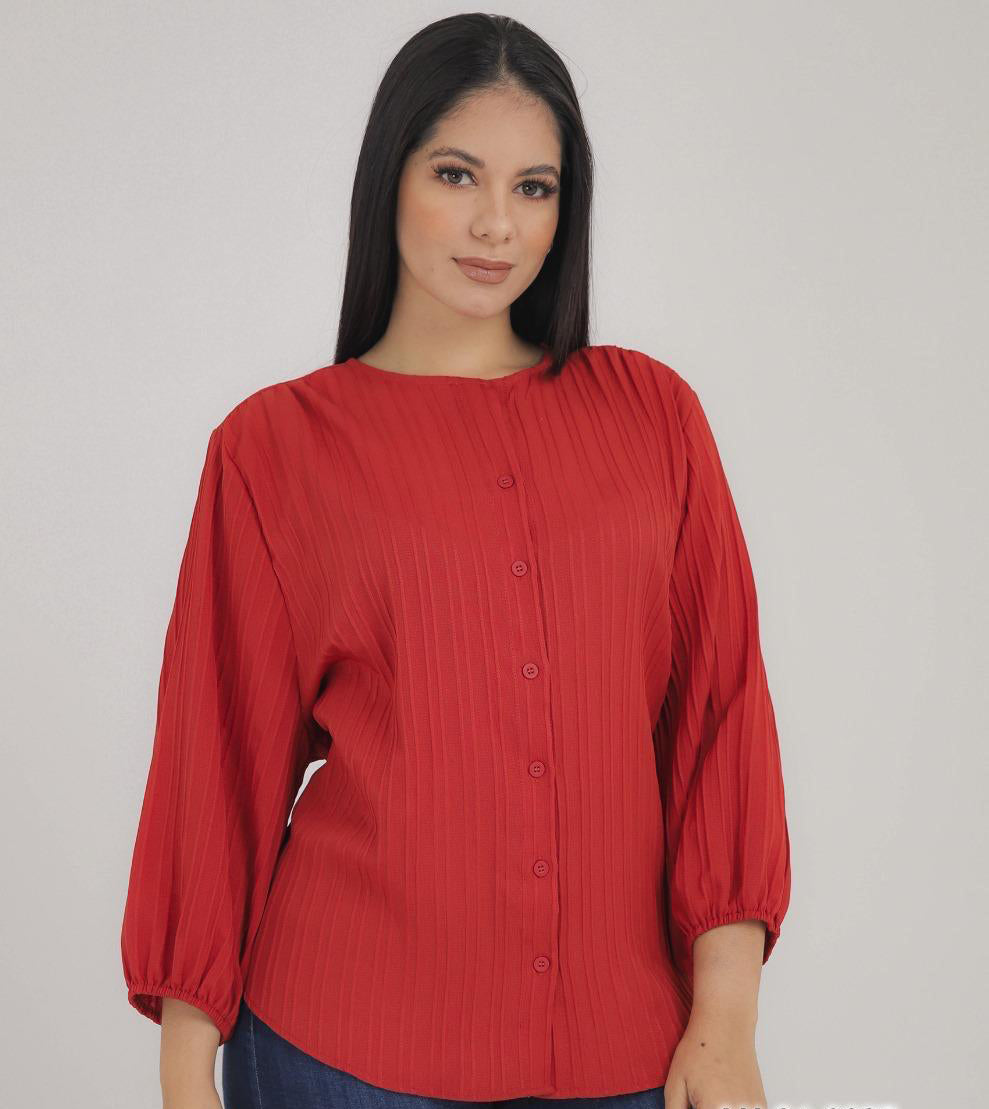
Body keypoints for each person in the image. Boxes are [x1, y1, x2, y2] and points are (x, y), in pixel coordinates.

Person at [120, 13, 791, 1109]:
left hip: (626, 1052)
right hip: (342, 1050)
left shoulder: (652, 416)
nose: (494, 224)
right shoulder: (275, 446)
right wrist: (186, 1074)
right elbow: (216, 761)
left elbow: (720, 719)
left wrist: (726, 1020)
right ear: (388, 175)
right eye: (455, 173)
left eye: (534, 187)